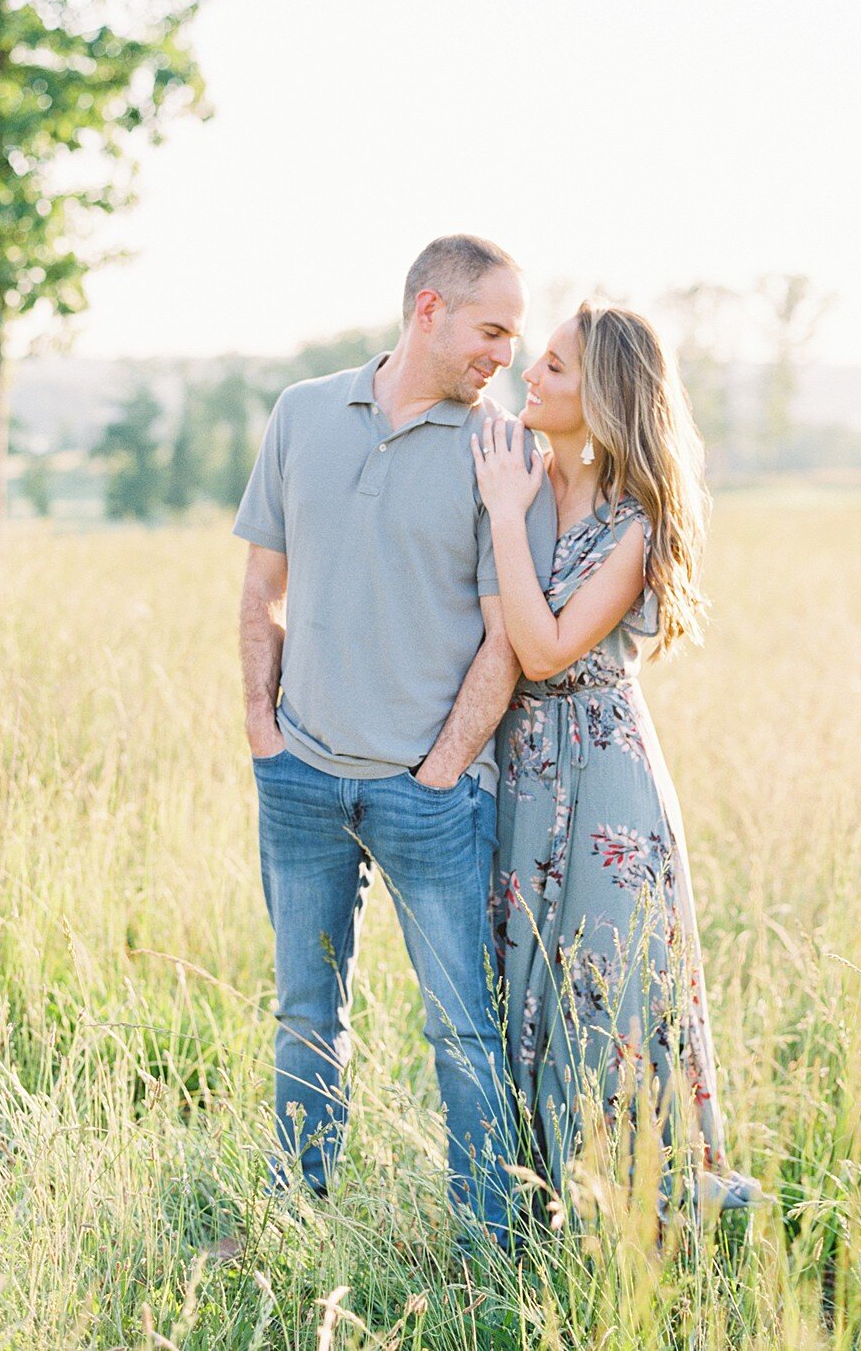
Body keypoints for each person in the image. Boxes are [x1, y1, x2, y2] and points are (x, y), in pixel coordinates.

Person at [233, 235, 557, 1248]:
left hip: (429, 796)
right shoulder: (302, 414)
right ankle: (297, 1218)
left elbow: (508, 637)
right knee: (302, 1015)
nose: (506, 352)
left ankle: (488, 1245)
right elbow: (261, 588)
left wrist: (443, 768)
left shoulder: (500, 455)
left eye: (515, 332)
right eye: (492, 329)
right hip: (300, 780)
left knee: (461, 1029)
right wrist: (262, 731)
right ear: (429, 310)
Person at [472, 301, 765, 1220]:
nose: (531, 371)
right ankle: (547, 1202)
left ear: (598, 402)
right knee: (523, 985)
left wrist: (503, 518)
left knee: (613, 992)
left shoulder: (631, 526)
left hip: (602, 776)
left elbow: (548, 650)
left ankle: (652, 1206)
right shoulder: (511, 468)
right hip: (521, 770)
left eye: (553, 367)